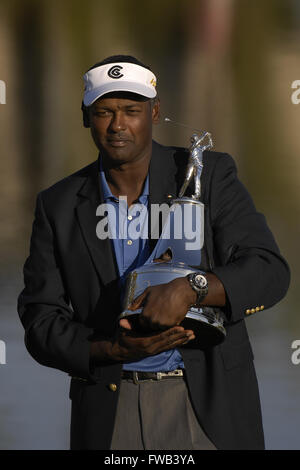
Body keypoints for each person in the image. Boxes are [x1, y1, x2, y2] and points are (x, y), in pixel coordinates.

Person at [17, 54, 290, 450]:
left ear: (156, 111)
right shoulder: (57, 205)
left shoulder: (207, 174)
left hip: (206, 410)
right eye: (104, 112)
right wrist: (108, 349)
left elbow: (269, 271)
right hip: (111, 412)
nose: (117, 125)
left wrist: (193, 288)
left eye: (131, 110)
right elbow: (40, 319)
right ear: (85, 117)